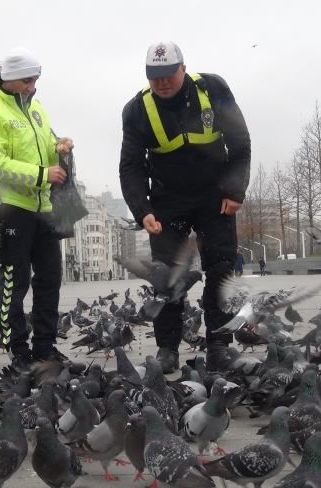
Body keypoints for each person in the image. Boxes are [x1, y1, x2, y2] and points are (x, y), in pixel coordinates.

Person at [119, 41, 251, 373]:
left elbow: (239, 141)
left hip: (215, 195)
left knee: (221, 268)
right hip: (168, 200)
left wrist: (236, 190)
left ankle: (220, 343)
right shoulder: (137, 110)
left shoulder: (213, 89)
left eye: (168, 75)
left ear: (183, 68)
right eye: (154, 77)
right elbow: (131, 166)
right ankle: (167, 350)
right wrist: (143, 210)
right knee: (166, 277)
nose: (162, 83)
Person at [0, 47, 82, 373]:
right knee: (14, 281)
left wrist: (59, 145)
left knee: (50, 279)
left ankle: (45, 350)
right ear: (9, 78)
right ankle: (18, 352)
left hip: (42, 205)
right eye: (28, 79)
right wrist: (41, 174)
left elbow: (46, 144)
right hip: (9, 207)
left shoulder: (35, 109)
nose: (34, 85)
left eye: (36, 79)